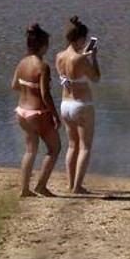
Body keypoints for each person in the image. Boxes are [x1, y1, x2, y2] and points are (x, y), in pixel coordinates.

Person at [11, 23, 59, 197]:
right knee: (55, 149)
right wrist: (55, 116)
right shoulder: (43, 66)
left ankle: (24, 189)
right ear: (43, 46)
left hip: (21, 112)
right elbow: (46, 96)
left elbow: (14, 85)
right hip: (38, 113)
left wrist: (28, 90)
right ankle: (41, 186)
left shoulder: (22, 62)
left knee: (30, 150)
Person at [55, 15, 102, 195]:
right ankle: (77, 187)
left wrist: (84, 55)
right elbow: (96, 78)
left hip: (65, 104)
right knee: (85, 146)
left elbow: (72, 64)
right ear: (80, 39)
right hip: (81, 105)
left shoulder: (59, 56)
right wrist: (94, 58)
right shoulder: (81, 59)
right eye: (84, 39)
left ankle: (70, 184)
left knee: (72, 145)